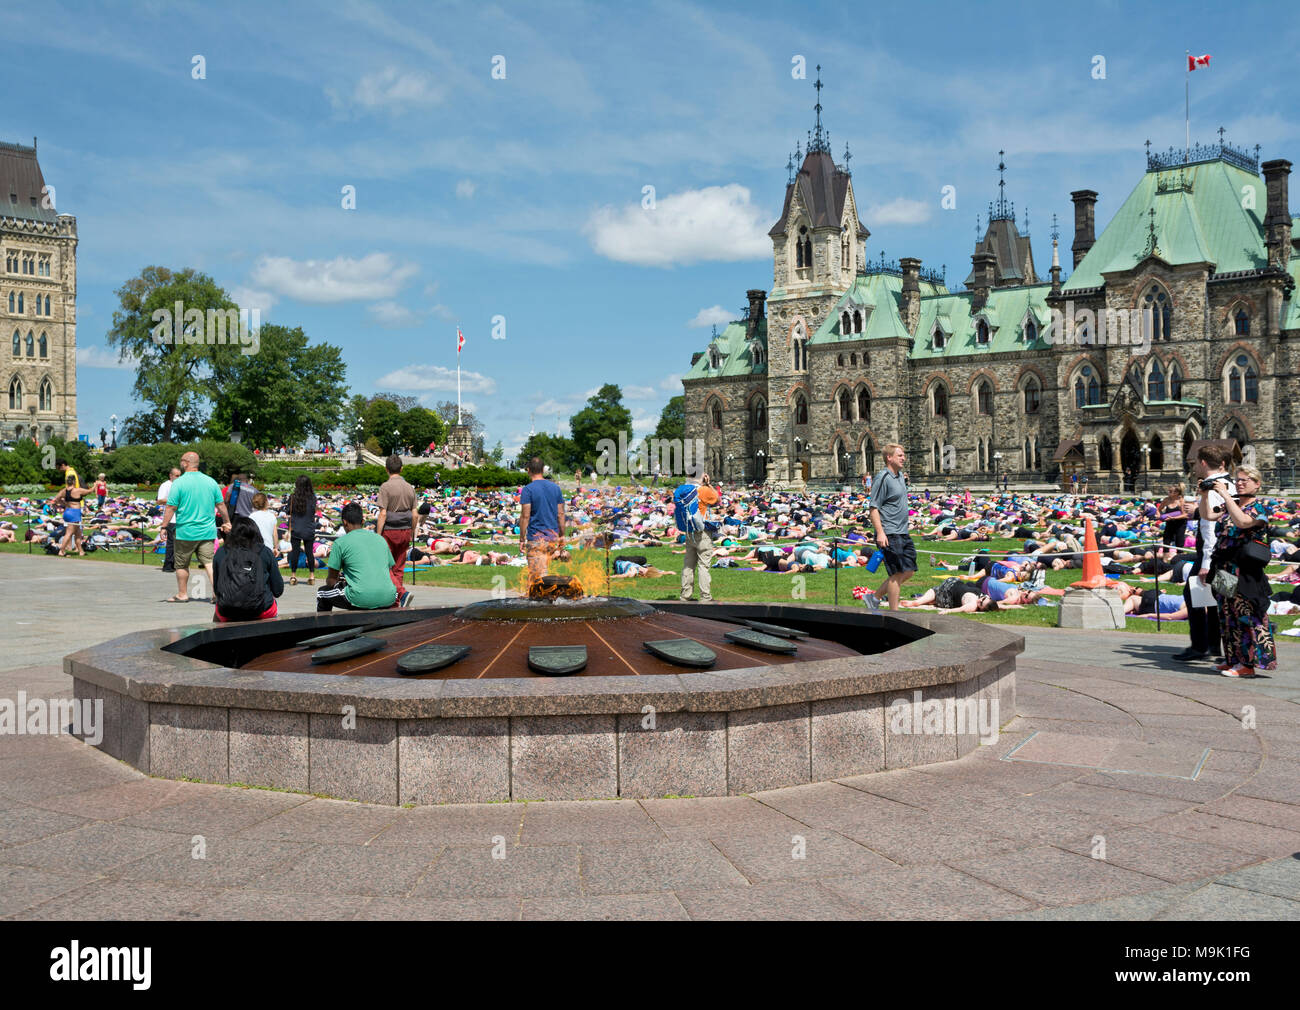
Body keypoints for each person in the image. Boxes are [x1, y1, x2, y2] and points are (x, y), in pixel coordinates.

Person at [1207, 465, 1276, 676]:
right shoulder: (1232, 504)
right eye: (1238, 479)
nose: (1240, 482)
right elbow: (1208, 515)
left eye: (1245, 479)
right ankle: (1232, 659)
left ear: (1257, 484)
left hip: (1245, 570)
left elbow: (1244, 522)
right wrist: (1204, 494)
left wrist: (1226, 495)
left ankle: (1248, 665)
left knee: (1246, 615)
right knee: (1227, 615)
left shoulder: (1260, 508)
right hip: (1225, 568)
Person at [1174, 446, 1234, 663]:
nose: (1195, 467)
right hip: (1224, 553)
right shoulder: (1227, 483)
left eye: (1196, 463)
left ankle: (1202, 646)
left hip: (1212, 554)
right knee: (1217, 600)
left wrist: (1206, 563)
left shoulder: (1214, 487)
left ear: (1203, 463)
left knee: (1197, 597)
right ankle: (1214, 646)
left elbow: (1211, 528)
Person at [161, 451, 231, 603]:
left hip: (185, 532)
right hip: (207, 531)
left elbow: (171, 507)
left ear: (185, 463)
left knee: (181, 563)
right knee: (209, 562)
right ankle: (217, 594)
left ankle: (182, 594)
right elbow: (220, 505)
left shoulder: (178, 483)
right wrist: (227, 521)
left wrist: (164, 526)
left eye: (181, 461)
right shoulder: (211, 482)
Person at [316, 502, 409, 611]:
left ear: (344, 522)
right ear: (363, 522)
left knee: (322, 593)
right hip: (389, 597)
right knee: (355, 593)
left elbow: (331, 581)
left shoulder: (340, 543)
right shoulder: (380, 540)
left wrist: (340, 580)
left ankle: (325, 628)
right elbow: (387, 570)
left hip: (361, 597)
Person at [869, 443, 916, 610]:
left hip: (902, 531)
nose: (904, 458)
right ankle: (895, 613)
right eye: (900, 455)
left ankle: (874, 597)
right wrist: (881, 533)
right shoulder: (883, 477)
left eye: (903, 455)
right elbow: (873, 508)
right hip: (889, 532)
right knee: (896, 573)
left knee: (909, 570)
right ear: (889, 458)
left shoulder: (900, 476)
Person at [212, 515, 284, 622]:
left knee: (218, 611)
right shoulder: (265, 552)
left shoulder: (221, 552)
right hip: (261, 610)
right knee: (271, 605)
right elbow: (278, 590)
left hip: (228, 611)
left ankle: (216, 635)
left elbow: (217, 590)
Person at [675, 465, 720, 602]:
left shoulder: (681, 490)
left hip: (689, 531)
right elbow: (717, 500)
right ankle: (705, 596)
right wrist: (708, 483)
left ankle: (685, 595)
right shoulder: (704, 490)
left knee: (688, 565)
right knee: (703, 565)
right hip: (702, 531)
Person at [519, 456, 566, 581]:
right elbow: (560, 514)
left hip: (536, 537)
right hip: (552, 537)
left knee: (537, 577)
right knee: (542, 572)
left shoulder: (528, 490)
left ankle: (541, 598)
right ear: (543, 470)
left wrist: (522, 538)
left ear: (528, 470)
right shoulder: (555, 488)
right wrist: (561, 535)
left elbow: (525, 516)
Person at [376, 455, 418, 594]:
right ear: (401, 469)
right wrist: (412, 531)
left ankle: (399, 592)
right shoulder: (409, 488)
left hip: (389, 529)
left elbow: (383, 513)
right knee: (399, 566)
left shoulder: (385, 487)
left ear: (386, 469)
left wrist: (378, 534)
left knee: (385, 564)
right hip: (405, 528)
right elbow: (415, 514)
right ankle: (397, 595)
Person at [287, 475, 318, 586]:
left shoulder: (293, 497)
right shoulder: (313, 498)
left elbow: (287, 511)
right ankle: (311, 575)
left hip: (296, 527)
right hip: (308, 527)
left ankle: (293, 575)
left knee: (295, 552)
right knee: (309, 552)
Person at [50, 475, 89, 557]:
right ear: (74, 482)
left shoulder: (64, 490)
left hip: (67, 512)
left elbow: (56, 499)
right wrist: (96, 485)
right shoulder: (77, 490)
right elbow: (89, 491)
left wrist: (64, 503)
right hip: (74, 513)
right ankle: (62, 551)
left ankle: (81, 551)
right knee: (69, 533)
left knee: (78, 533)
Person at [157, 466, 181, 573]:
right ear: (171, 475)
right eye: (176, 475)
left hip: (180, 517)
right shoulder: (165, 485)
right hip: (170, 518)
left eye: (180, 476)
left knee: (179, 543)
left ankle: (176, 563)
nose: (178, 477)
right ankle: (168, 565)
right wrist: (174, 500)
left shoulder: (179, 485)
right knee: (171, 542)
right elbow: (160, 500)